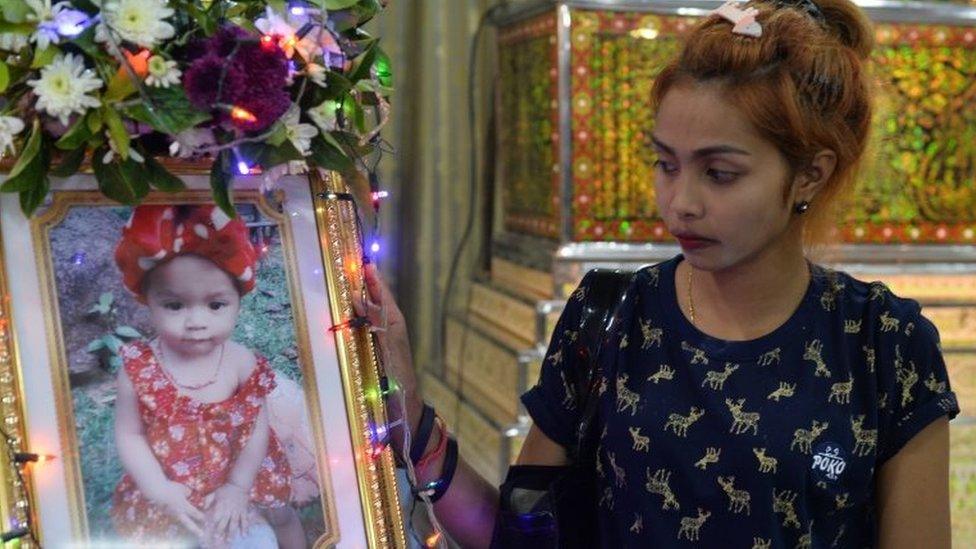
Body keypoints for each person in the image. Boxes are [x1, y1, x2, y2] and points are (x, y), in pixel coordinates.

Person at [359, 0, 960, 546]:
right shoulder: (609, 317)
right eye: (666, 164)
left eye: (719, 173)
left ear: (810, 175)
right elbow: (522, 537)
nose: (680, 202)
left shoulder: (883, 345)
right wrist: (410, 414)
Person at [111, 204, 308, 548]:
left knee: (280, 514)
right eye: (175, 305)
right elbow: (129, 434)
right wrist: (158, 488)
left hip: (243, 471)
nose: (196, 321)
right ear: (147, 301)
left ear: (237, 301)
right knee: (178, 534)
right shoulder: (138, 368)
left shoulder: (240, 362)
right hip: (174, 480)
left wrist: (237, 486)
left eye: (215, 305)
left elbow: (256, 429)